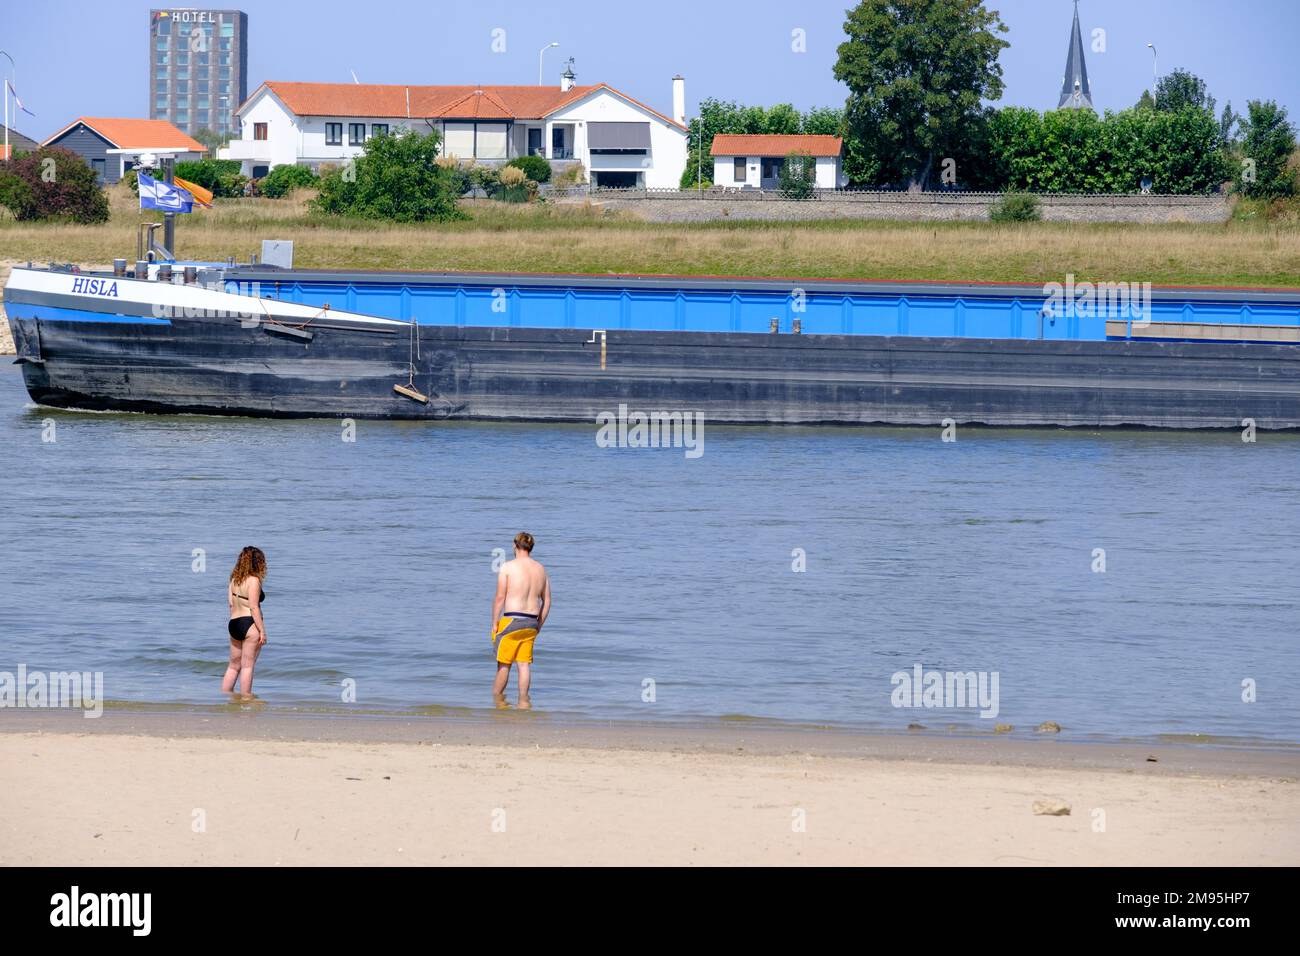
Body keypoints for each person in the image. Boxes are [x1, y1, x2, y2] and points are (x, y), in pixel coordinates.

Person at [490, 532, 551, 709]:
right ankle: (524, 702)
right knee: (523, 665)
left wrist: (495, 622)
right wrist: (539, 623)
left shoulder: (508, 567)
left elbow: (500, 597)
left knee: (504, 664)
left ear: (514, 545)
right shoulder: (541, 569)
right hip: (531, 622)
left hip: (512, 621)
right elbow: (547, 600)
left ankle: (497, 702)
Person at [222, 546, 268, 698]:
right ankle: (246, 697)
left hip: (234, 623)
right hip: (249, 624)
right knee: (248, 666)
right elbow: (254, 608)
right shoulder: (254, 580)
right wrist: (262, 631)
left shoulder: (234, 579)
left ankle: (225, 696)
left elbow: (230, 604)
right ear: (257, 563)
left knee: (233, 665)